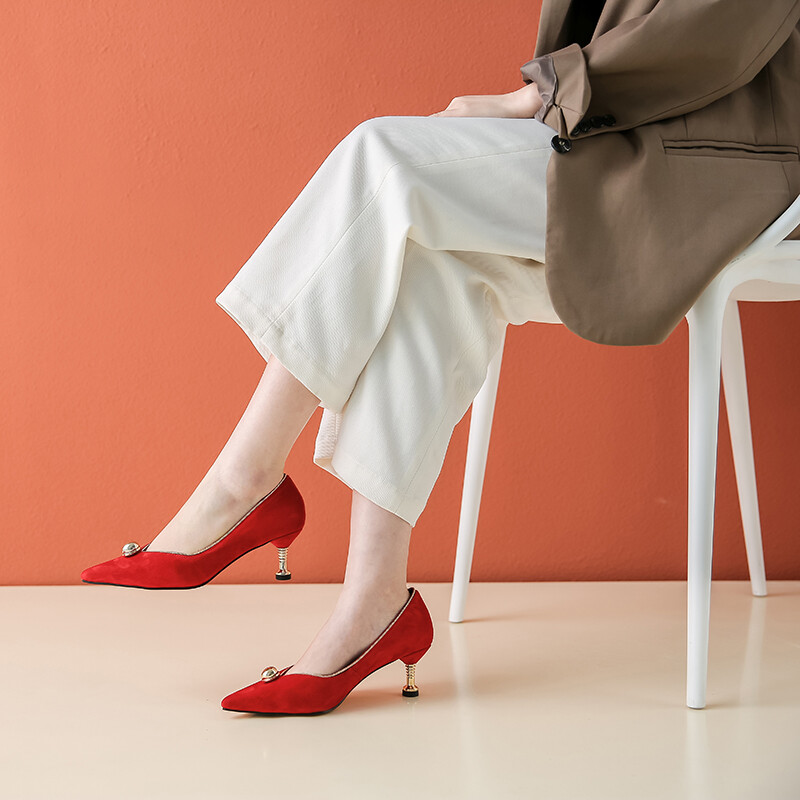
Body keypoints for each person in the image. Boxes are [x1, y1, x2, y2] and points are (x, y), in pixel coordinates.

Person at [80, 0, 800, 715]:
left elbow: (724, 20)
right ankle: (375, 599)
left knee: (383, 156)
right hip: (619, 133)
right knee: (430, 262)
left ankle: (246, 481)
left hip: (719, 159)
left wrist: (530, 98)